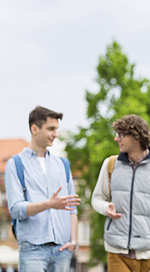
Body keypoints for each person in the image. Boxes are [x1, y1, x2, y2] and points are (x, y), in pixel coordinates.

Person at [91, 114, 150, 272]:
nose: (116, 139)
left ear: (137, 137)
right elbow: (96, 199)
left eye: (122, 134)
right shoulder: (110, 165)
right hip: (116, 253)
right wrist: (106, 208)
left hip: (149, 255)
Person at [5, 106, 81, 272]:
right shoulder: (15, 164)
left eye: (57, 129)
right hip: (33, 250)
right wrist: (49, 204)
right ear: (34, 129)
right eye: (51, 129)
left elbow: (72, 209)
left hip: (62, 250)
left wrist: (73, 242)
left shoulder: (63, 165)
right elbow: (16, 210)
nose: (56, 134)